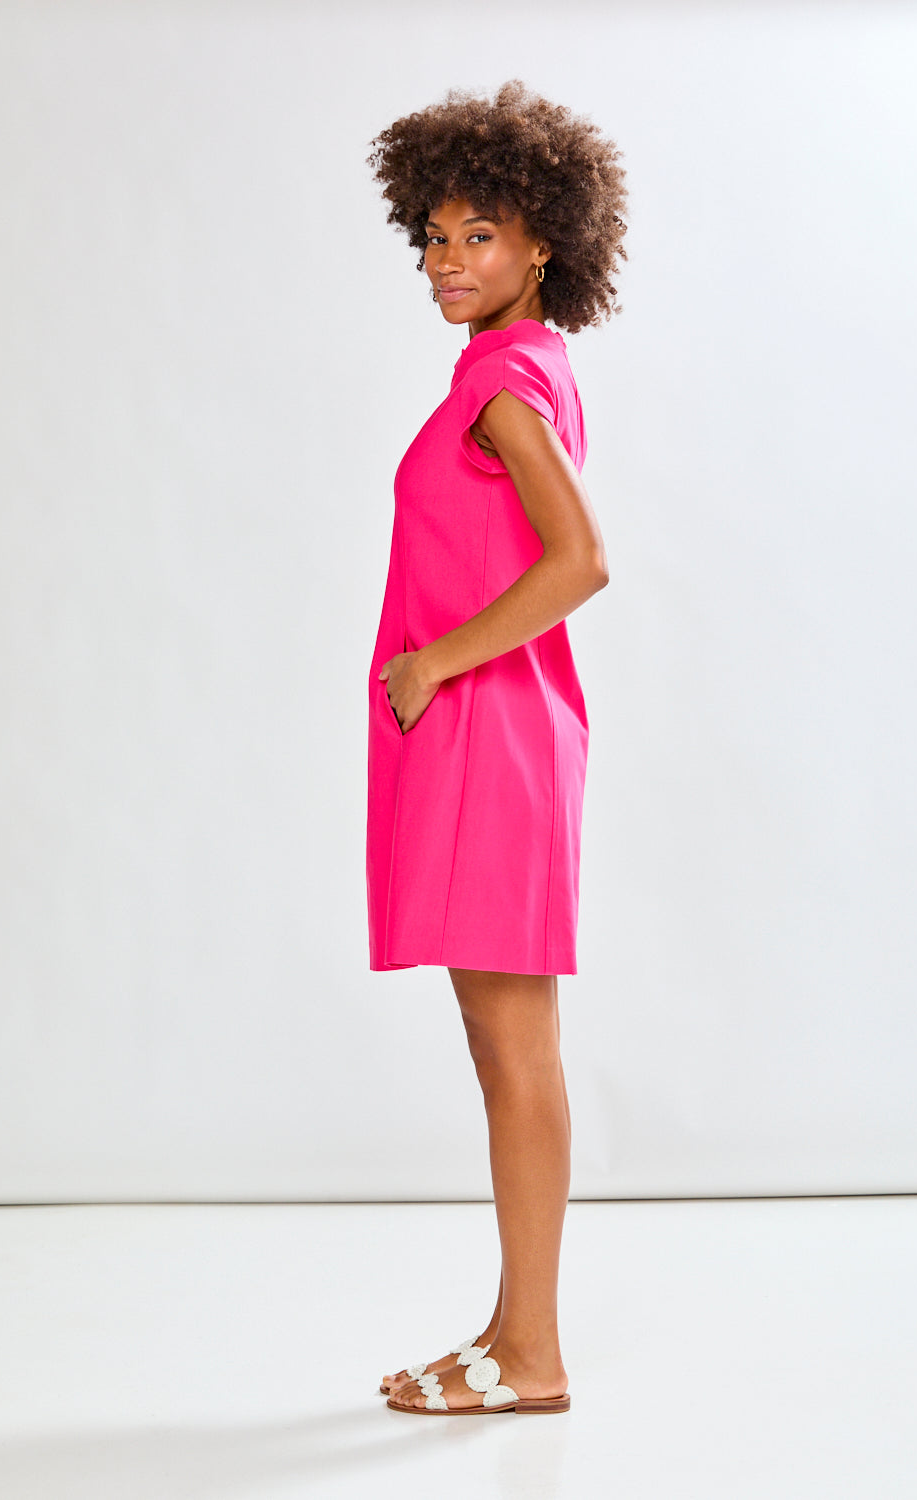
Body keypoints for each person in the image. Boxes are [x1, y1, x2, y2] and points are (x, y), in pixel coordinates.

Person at [364, 79, 627, 1416]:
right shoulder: (517, 368)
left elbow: (581, 560)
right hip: (493, 739)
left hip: (490, 739)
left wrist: (437, 659)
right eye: (437, 235)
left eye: (483, 235)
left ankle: (533, 1356)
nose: (449, 261)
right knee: (506, 1048)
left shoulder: (508, 383)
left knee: (516, 1052)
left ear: (543, 247)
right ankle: (514, 1327)